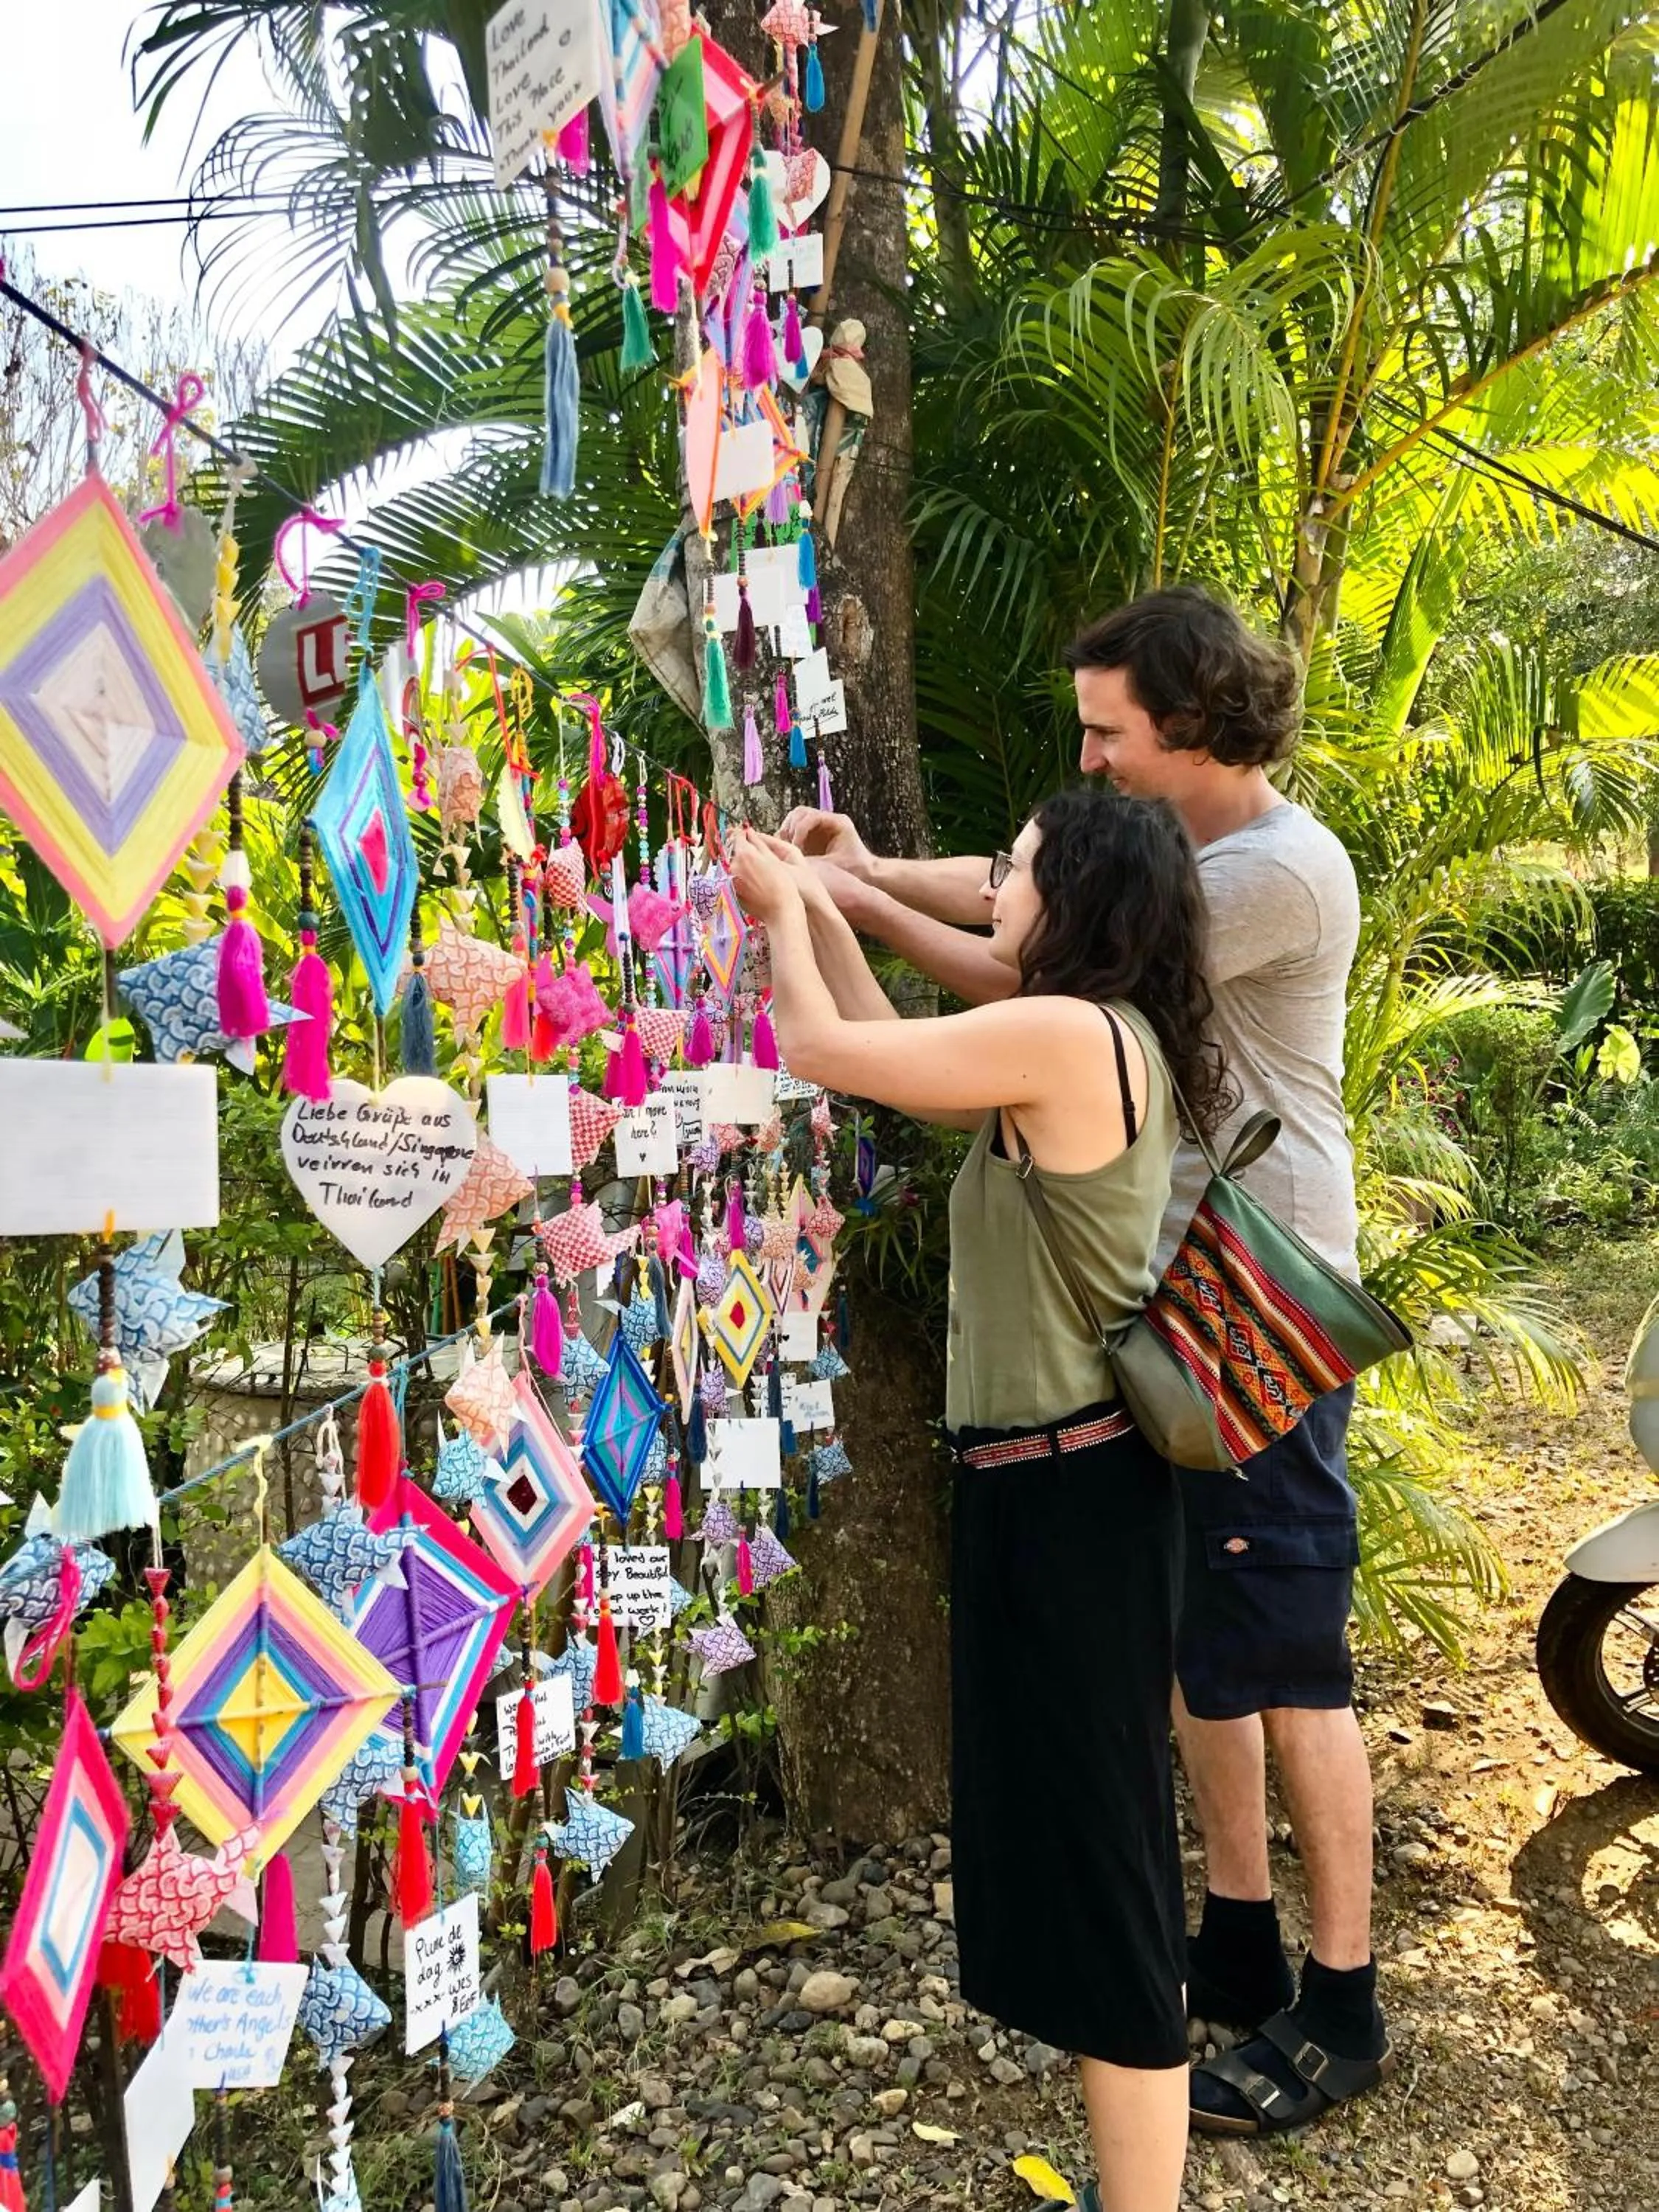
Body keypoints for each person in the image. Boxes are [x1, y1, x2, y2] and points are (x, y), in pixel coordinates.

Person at [779, 583, 1393, 2138]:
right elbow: (1019, 887)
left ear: (1188, 725)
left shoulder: (1279, 873)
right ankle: (1238, 1939)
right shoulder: (1167, 850)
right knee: (1203, 1650)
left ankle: (1343, 1999)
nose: (1094, 757)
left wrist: (846, 911)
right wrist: (863, 872)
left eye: (1110, 731)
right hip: (1154, 1300)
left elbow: (1030, 964)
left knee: (1283, 1648)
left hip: (1253, 1305)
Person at [730, 789, 1229, 2212]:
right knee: (1080, 1847)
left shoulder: (1065, 1034)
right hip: (1052, 1494)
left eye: (1009, 869)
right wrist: (819, 902)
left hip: (1073, 1499)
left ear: (1075, 898)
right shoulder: (1083, 1029)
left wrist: (786, 911)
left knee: (1109, 1858)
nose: (992, 886)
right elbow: (874, 1043)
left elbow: (829, 1047)